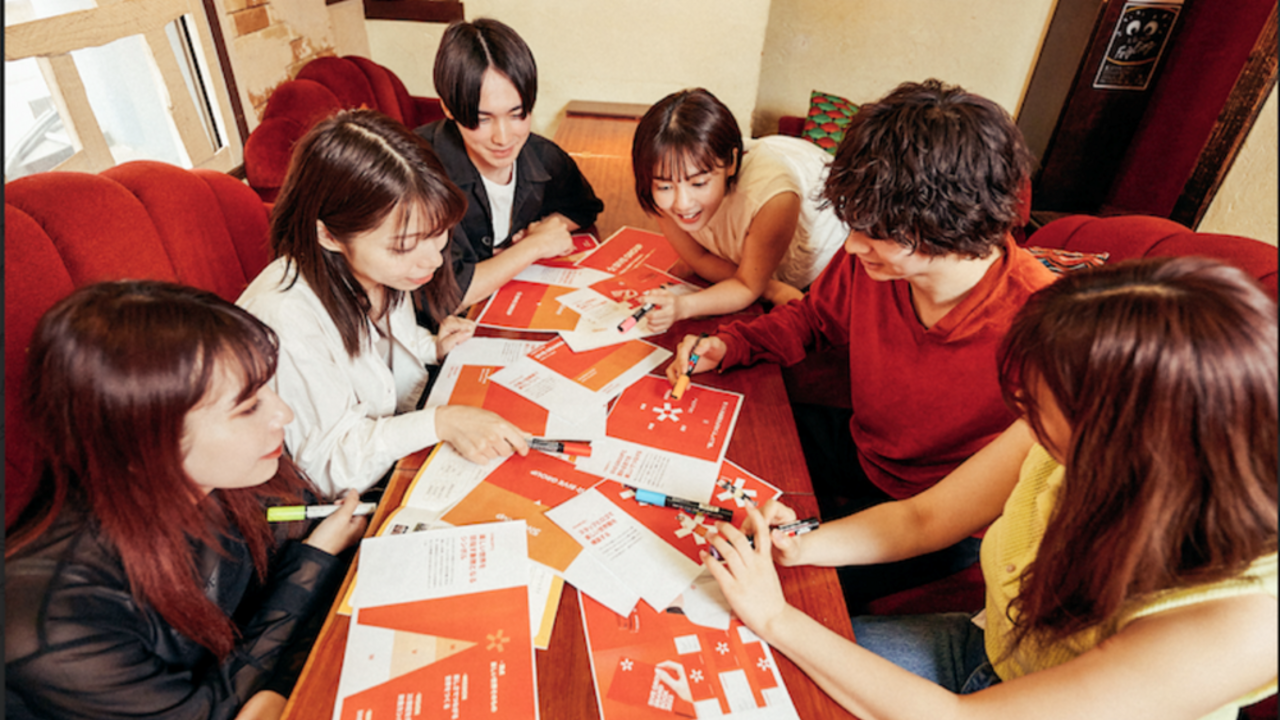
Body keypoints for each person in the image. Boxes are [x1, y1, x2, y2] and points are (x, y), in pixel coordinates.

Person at [702, 257, 1278, 720]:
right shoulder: (1068, 432)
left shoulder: (1241, 620)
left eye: (1041, 406)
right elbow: (924, 518)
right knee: (726, 646)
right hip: (987, 645)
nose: (1021, 412)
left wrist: (777, 618)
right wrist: (803, 544)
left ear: (1125, 440)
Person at [668, 79, 1055, 606]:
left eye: (873, 232)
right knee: (702, 455)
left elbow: (935, 517)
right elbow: (813, 318)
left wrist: (803, 541)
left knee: (746, 592)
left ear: (943, 227)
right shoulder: (871, 264)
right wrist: (732, 344)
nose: (852, 245)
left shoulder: (1043, 326)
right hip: (864, 448)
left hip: (943, 517)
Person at [5, 280, 368, 720]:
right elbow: (213, 713)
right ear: (142, 438)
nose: (283, 414)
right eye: (248, 406)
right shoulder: (56, 619)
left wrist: (315, 555)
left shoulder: (236, 472)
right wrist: (315, 558)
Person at [239, 109, 528, 498]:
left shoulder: (378, 270)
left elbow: (383, 360)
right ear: (327, 235)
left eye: (439, 234)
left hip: (399, 458)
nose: (433, 260)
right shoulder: (285, 318)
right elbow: (330, 468)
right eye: (404, 246)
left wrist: (431, 347)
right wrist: (439, 423)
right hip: (346, 501)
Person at [415, 18, 604, 316]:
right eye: (483, 118)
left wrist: (547, 228)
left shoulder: (543, 155)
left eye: (517, 115)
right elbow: (444, 296)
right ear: (448, 107)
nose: (503, 139)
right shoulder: (417, 172)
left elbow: (582, 207)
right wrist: (534, 246)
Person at [631, 88, 848, 333]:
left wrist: (682, 306)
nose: (682, 203)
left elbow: (746, 286)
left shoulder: (772, 198)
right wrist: (769, 288)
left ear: (732, 163)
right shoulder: (660, 191)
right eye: (666, 185)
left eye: (699, 183)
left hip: (828, 246)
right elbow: (699, 258)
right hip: (760, 270)